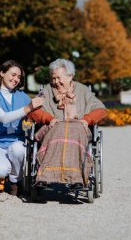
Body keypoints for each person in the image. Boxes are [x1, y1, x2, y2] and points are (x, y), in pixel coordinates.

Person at [27, 58, 107, 189]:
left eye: (59, 78)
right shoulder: (47, 91)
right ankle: (45, 176)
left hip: (78, 129)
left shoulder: (83, 90)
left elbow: (101, 109)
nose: (55, 82)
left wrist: (86, 119)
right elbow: (33, 110)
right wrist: (48, 118)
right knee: (59, 129)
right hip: (53, 128)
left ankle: (77, 178)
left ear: (70, 76)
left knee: (74, 129)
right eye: (53, 78)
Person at [0, 60, 46, 196]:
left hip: (17, 142)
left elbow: (37, 114)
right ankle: (2, 174)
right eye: (13, 75)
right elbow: (3, 118)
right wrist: (28, 108)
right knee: (0, 170)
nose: (16, 79)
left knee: (17, 149)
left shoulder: (22, 97)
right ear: (2, 73)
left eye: (19, 77)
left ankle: (16, 181)